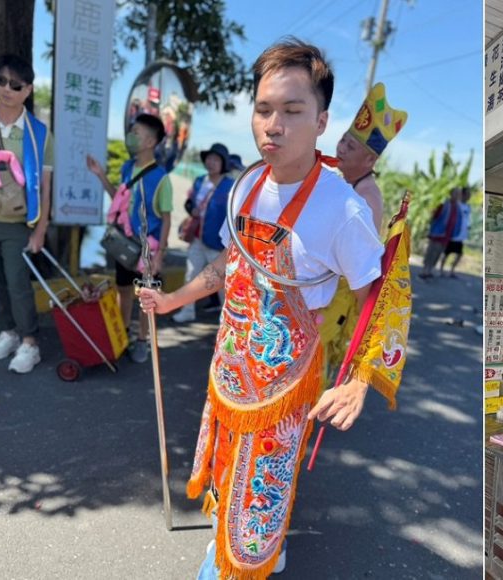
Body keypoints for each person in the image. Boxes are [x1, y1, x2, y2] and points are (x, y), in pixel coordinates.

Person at [137, 38, 386, 578]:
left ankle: (243, 562)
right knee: (229, 473)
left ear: (321, 121)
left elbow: (379, 295)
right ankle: (247, 544)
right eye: (263, 109)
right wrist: (173, 299)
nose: (273, 125)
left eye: (292, 111)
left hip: (283, 384)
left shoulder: (343, 209)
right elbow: (230, 261)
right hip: (230, 367)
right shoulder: (247, 184)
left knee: (261, 491)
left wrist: (360, 379)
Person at [320, 82, 407, 375]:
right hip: (326, 287)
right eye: (343, 140)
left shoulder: (367, 197)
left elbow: (358, 262)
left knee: (315, 363)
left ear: (370, 159)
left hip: (338, 295)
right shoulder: (346, 182)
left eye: (351, 146)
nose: (341, 147)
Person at [0, 54, 54, 373]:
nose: (7, 89)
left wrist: (41, 229)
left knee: (18, 284)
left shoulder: (39, 133)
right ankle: (7, 332)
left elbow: (45, 187)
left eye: (16, 85)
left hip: (18, 224)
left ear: (28, 90)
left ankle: (30, 342)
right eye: (2, 81)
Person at [86, 113, 173, 363]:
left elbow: (166, 219)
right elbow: (119, 199)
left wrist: (160, 255)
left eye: (136, 133)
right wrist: (100, 175)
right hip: (125, 245)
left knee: (146, 298)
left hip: (147, 250)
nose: (130, 137)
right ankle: (122, 334)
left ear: (151, 142)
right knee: (123, 289)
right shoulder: (127, 167)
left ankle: (143, 340)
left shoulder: (161, 178)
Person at [172, 143, 233, 323]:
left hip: (219, 243)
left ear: (223, 163)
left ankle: (229, 319)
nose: (211, 162)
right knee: (191, 275)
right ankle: (187, 311)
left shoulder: (231, 185)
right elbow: (189, 202)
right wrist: (192, 209)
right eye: (209, 158)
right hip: (197, 239)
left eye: (216, 159)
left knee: (222, 282)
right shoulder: (199, 180)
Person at [418, 186, 462, 279]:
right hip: (437, 233)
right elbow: (435, 216)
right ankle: (424, 270)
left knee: (438, 254)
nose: (457, 195)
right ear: (451, 194)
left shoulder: (458, 208)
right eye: (455, 193)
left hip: (447, 236)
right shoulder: (444, 204)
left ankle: (429, 270)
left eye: (458, 194)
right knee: (431, 252)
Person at [440, 186, 471, 278]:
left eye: (469, 194)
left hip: (461, 236)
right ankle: (441, 270)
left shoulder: (468, 207)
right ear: (463, 194)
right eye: (467, 194)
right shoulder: (457, 205)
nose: (469, 196)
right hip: (453, 234)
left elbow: (467, 219)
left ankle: (452, 271)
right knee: (446, 253)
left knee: (459, 254)